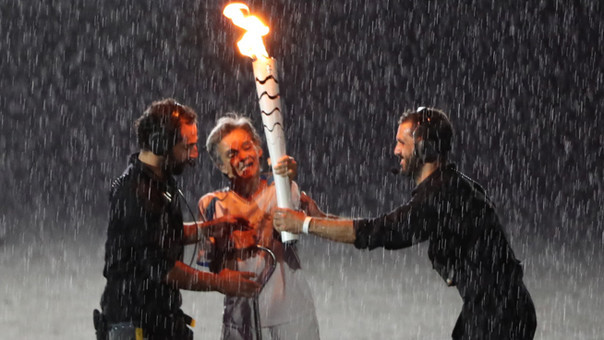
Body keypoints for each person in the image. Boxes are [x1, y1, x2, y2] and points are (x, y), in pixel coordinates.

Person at [273, 107, 537, 340]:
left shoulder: (441, 195)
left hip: (499, 315)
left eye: (402, 142)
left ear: (424, 148)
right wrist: (319, 218)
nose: (395, 150)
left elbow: (380, 232)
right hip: (496, 311)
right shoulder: (449, 186)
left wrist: (305, 224)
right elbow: (379, 227)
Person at [95, 99, 260, 340]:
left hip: (160, 319)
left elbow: (164, 234)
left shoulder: (160, 180)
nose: (194, 154)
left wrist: (210, 228)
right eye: (188, 146)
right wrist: (220, 283)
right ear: (161, 144)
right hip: (136, 325)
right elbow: (163, 268)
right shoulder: (135, 193)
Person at [198, 114, 320, 340]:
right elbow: (214, 268)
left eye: (247, 147)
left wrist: (287, 176)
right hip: (241, 319)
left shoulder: (282, 189)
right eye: (232, 154)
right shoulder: (212, 204)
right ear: (220, 165)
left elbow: (307, 222)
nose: (243, 157)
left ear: (259, 149)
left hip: (291, 314)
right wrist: (227, 247)